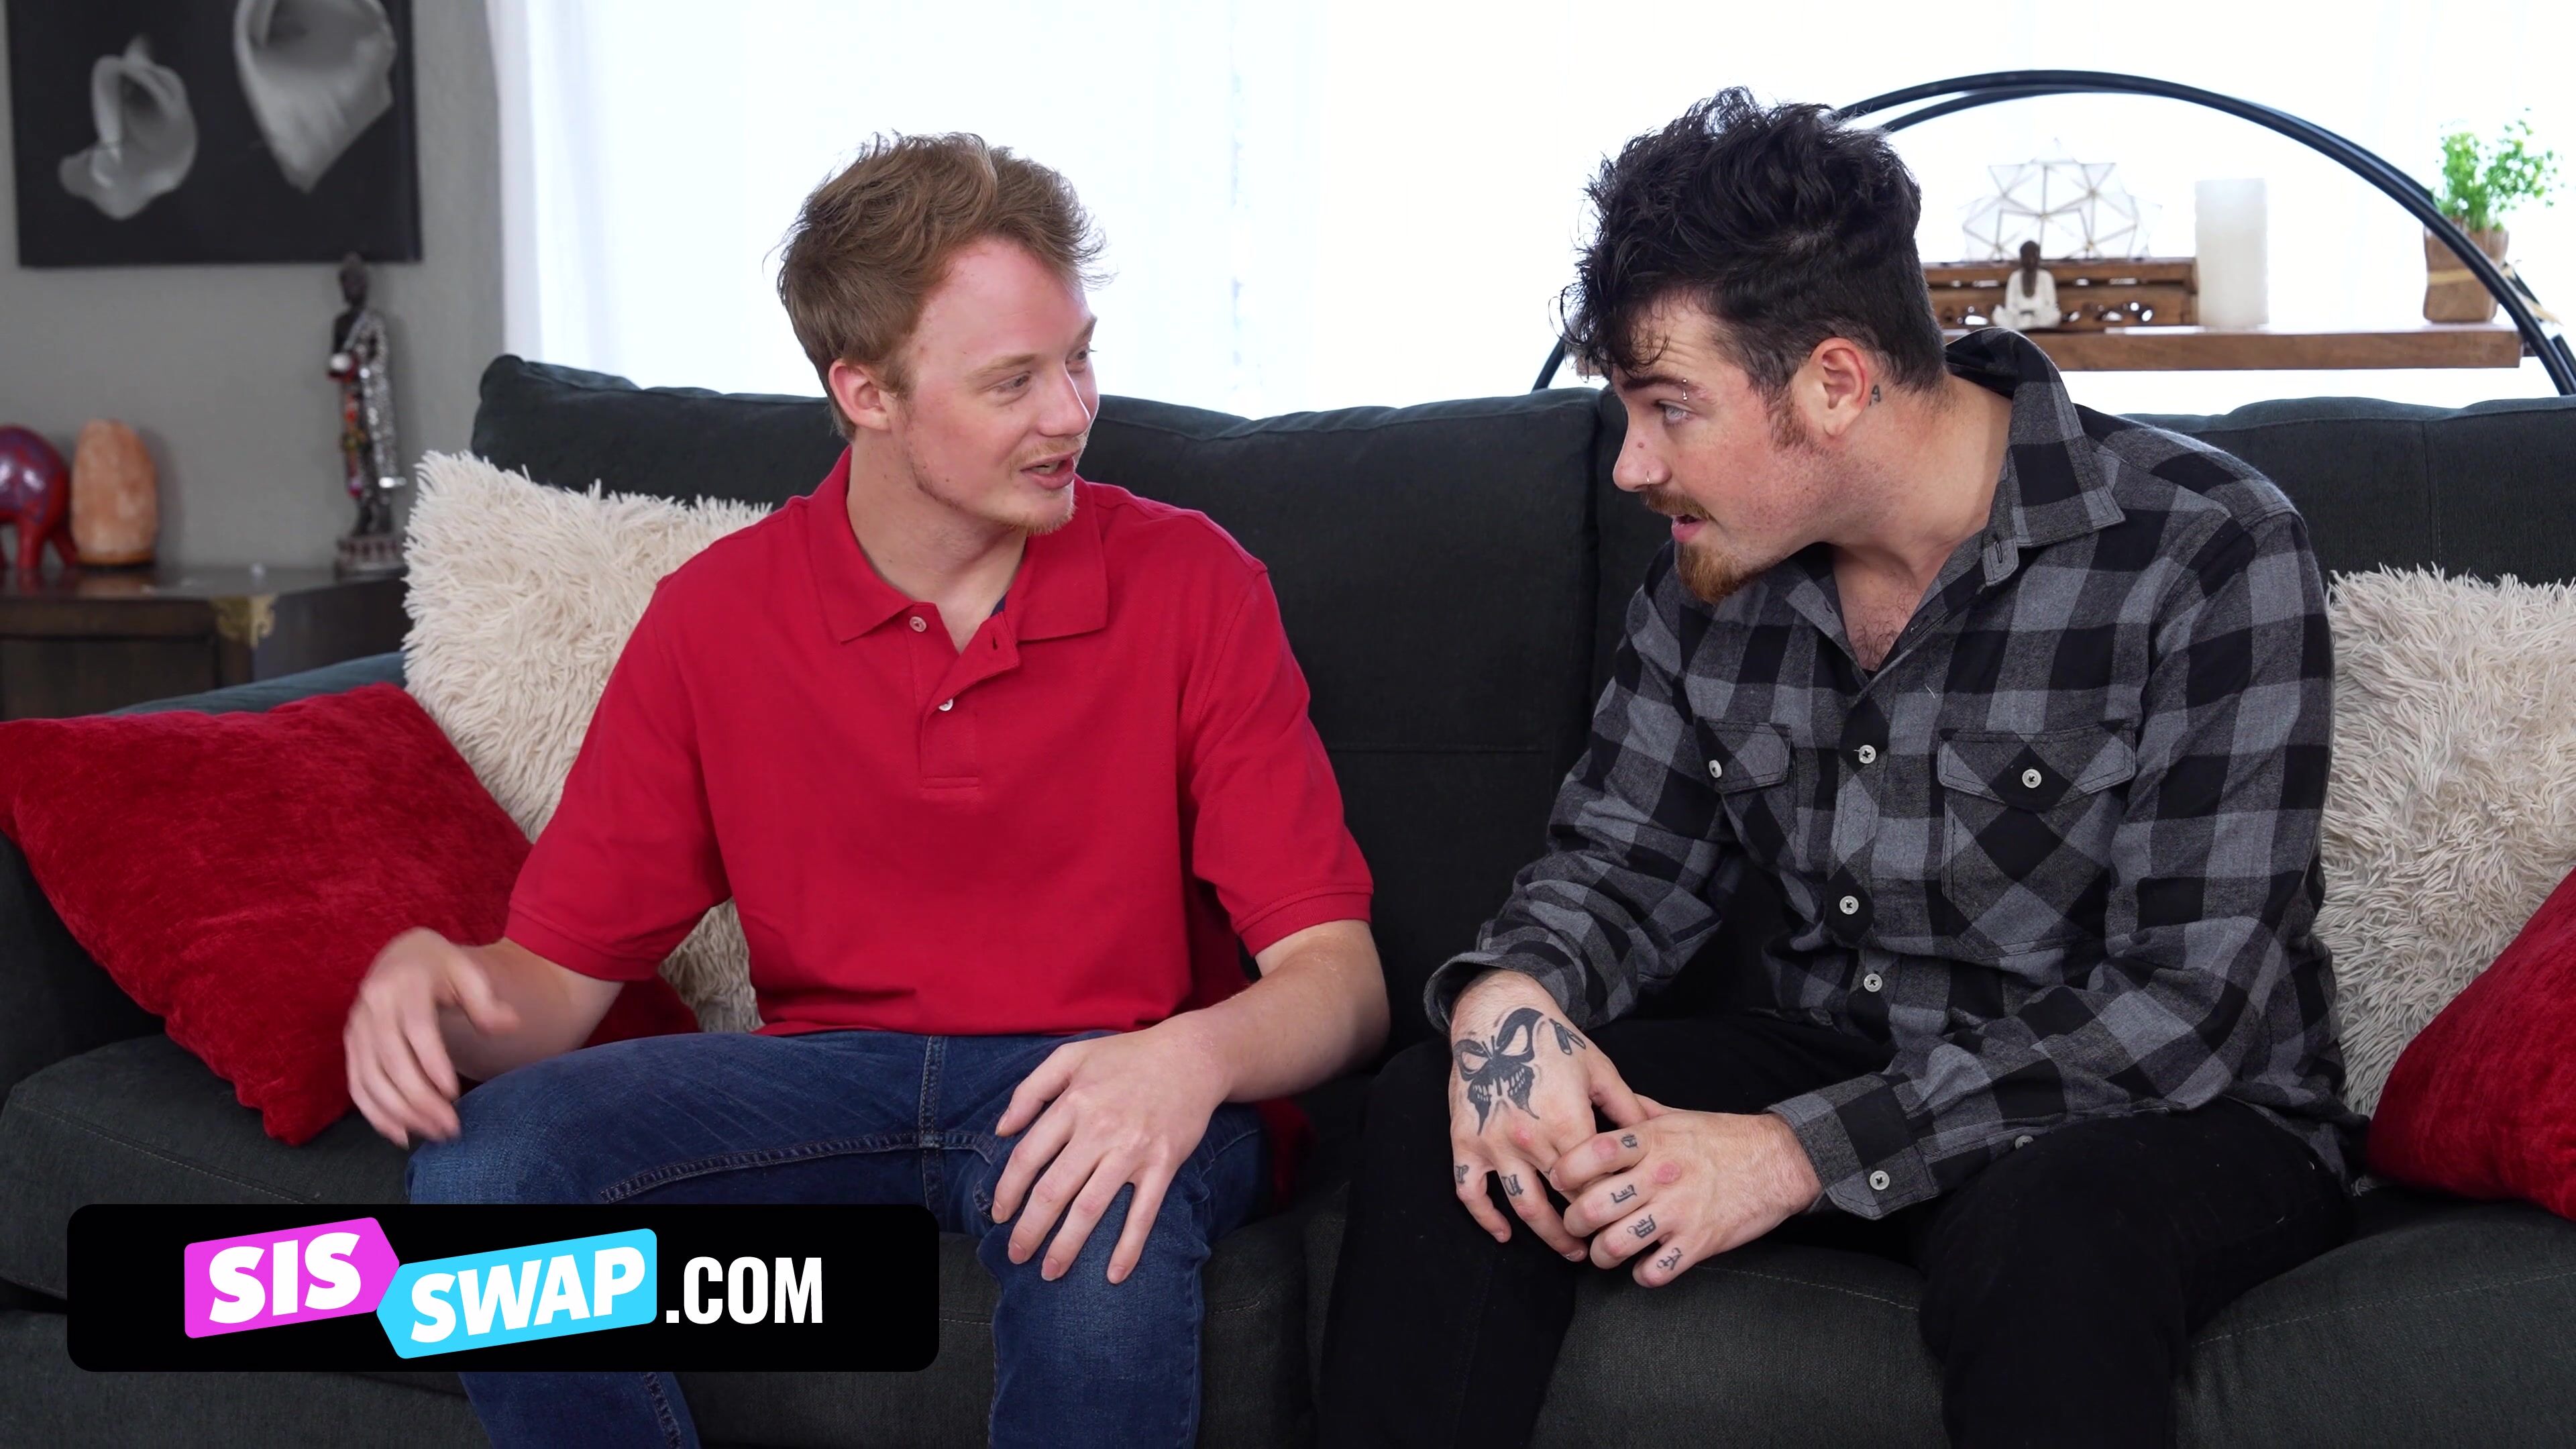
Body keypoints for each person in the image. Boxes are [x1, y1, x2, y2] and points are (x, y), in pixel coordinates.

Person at [1316, 89, 2359, 1448]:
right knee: (1448, 1109)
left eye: (1671, 409)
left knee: (2051, 1227)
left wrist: (1794, 1153)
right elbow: (1618, 869)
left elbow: (2188, 1007)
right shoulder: (1710, 573)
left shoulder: (2206, 548)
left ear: (1835, 384)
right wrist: (1509, 1003)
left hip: (2152, 1108)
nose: (1633, 464)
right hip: (1842, 1050)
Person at [348, 133, 1386, 1449]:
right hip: (829, 1083)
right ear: (865, 391)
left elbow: (1341, 982)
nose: (1072, 412)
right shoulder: (716, 621)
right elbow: (554, 990)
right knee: (488, 1166)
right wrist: (440, 998)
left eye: (1079, 358)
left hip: (1112, 1067)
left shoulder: (1196, 585)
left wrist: (1188, 1060)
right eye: (1014, 380)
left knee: (1103, 1225)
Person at [1993, 238, 2062, 330]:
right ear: (2021, 258)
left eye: (2033, 256)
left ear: (2038, 258)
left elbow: (2051, 304)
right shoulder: (2015, 277)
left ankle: (2032, 327)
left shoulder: (2046, 276)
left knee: (2055, 315)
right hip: (2018, 319)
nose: (2030, 260)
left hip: (2040, 318)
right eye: (2026, 256)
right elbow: (2010, 304)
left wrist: (2035, 314)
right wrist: (2020, 315)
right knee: (1998, 314)